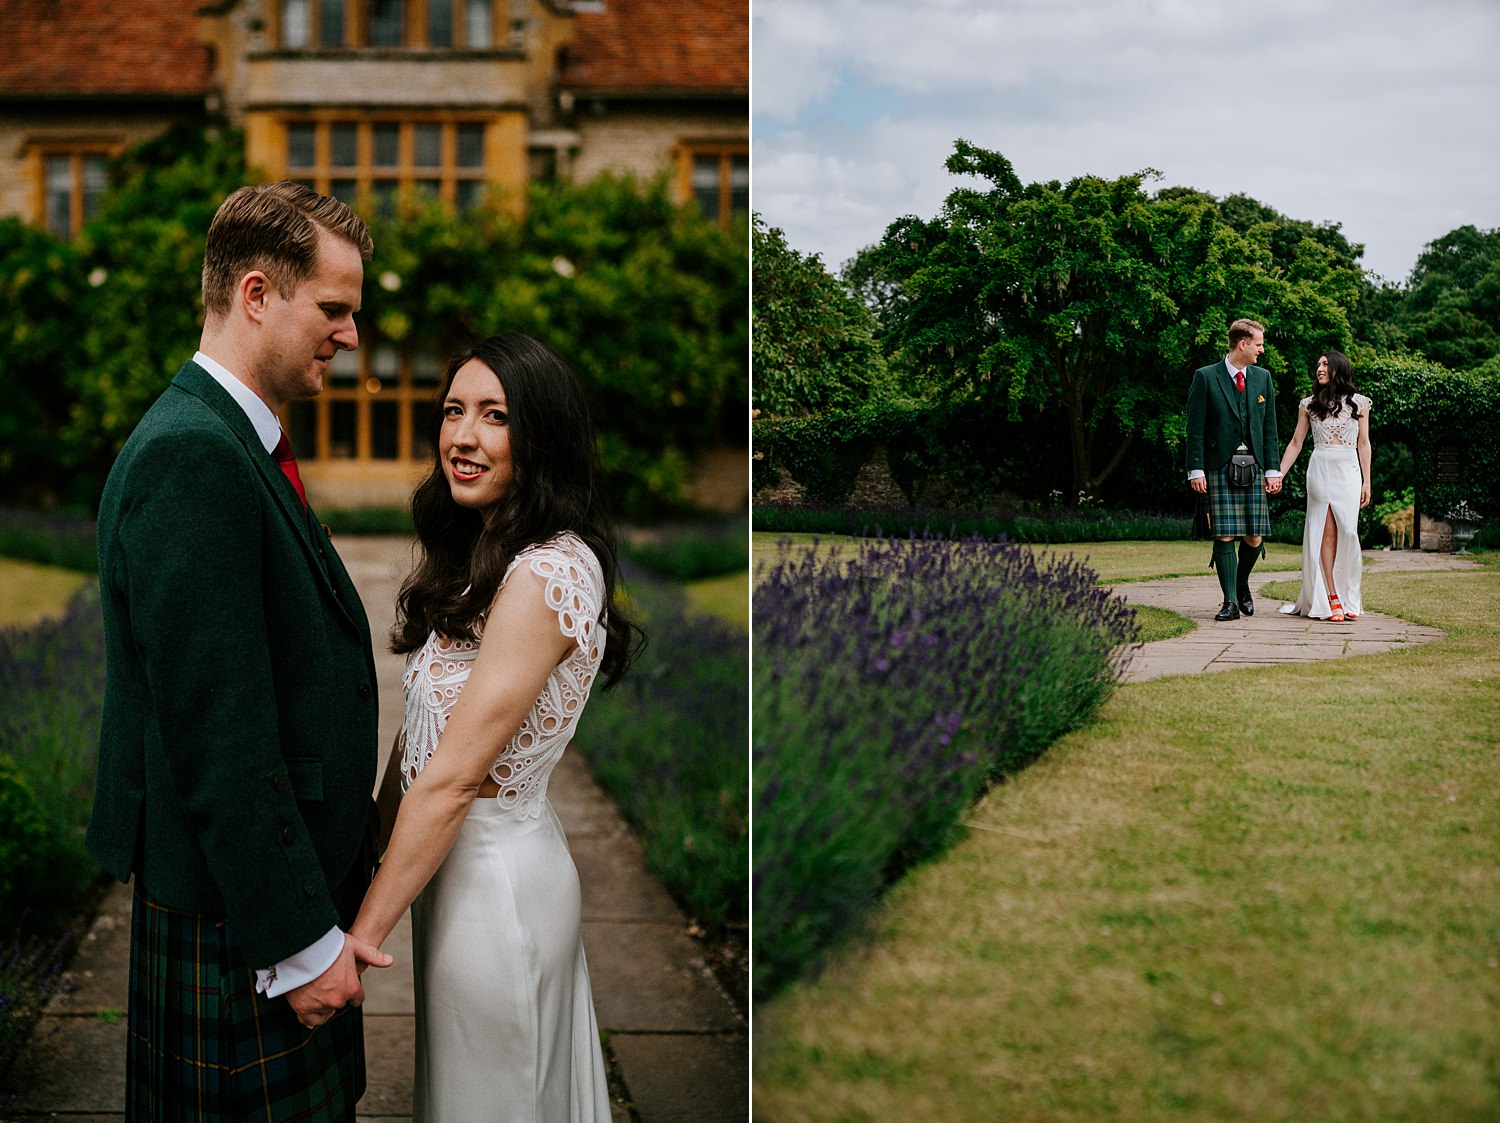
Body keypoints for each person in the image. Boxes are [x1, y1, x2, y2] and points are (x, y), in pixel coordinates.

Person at [87, 181, 393, 1120]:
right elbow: (220, 733)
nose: (350, 336)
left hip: (255, 905)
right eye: (334, 310)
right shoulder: (197, 456)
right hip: (244, 924)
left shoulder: (232, 440)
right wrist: (302, 946)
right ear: (257, 293)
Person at [348, 333, 643, 1120]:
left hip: (498, 891)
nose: (462, 436)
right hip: (446, 883)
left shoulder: (549, 571)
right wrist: (362, 866)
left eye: (494, 415)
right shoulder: (485, 555)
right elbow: (418, 744)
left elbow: (448, 781)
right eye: (452, 411)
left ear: (540, 438)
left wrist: (356, 943)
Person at [1185, 318, 1284, 620]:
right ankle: (1229, 602)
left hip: (1254, 466)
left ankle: (1241, 585)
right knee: (1224, 534)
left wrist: (1273, 470)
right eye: (1258, 344)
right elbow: (1195, 427)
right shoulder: (1206, 377)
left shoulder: (1262, 377)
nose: (1261, 350)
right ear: (1243, 344)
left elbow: (1269, 428)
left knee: (1254, 536)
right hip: (1218, 466)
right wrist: (1196, 469)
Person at [1275, 350, 1372, 621]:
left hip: (1350, 472)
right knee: (1326, 533)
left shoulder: (1360, 404)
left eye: (1325, 364)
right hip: (1321, 469)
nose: (1319, 368)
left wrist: (1367, 481)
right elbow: (1296, 443)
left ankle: (1349, 595)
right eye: (1318, 364)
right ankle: (1331, 596)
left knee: (1349, 533)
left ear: (1338, 369)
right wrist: (1279, 474)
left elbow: (1364, 444)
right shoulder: (1309, 404)